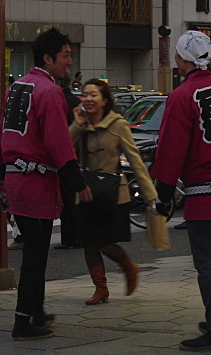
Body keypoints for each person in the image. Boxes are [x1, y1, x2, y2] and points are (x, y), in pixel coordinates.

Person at [151, 30, 211, 352]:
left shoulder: (182, 96)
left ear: (181, 58)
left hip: (203, 187)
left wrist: (163, 195)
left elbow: (170, 150)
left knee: (207, 261)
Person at [0, 28, 92, 341]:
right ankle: (22, 322)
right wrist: (78, 183)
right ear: (47, 58)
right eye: (65, 55)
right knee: (36, 255)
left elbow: (2, 136)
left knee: (34, 249)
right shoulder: (49, 92)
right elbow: (58, 143)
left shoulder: (17, 87)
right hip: (36, 182)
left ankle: (36, 312)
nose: (69, 61)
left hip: (15, 178)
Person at [71, 78, 157, 305]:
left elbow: (135, 159)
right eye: (85, 95)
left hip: (112, 193)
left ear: (105, 100)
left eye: (93, 95)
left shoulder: (118, 124)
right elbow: (65, 148)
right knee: (89, 242)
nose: (88, 99)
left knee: (106, 242)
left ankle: (129, 267)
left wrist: (149, 194)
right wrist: (77, 124)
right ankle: (101, 289)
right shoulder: (81, 124)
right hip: (87, 191)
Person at [54, 72, 82, 250]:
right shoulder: (76, 101)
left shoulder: (60, 102)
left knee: (66, 198)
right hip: (77, 154)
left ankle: (69, 238)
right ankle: (75, 236)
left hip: (63, 154)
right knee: (74, 198)